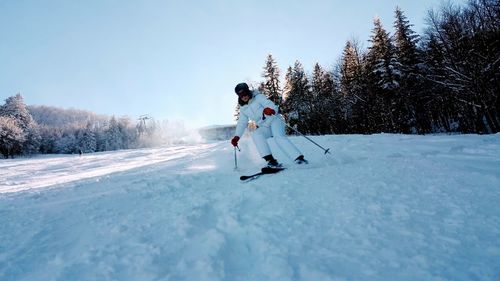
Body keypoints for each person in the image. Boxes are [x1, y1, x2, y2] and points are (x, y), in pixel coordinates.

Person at [230, 82, 308, 167]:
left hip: (274, 119)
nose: (244, 97)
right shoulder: (243, 108)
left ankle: (299, 158)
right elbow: (242, 123)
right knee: (256, 134)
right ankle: (271, 161)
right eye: (241, 95)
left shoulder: (258, 97)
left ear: (248, 92)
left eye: (245, 94)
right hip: (264, 125)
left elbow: (270, 105)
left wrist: (270, 110)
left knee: (278, 137)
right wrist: (237, 137)